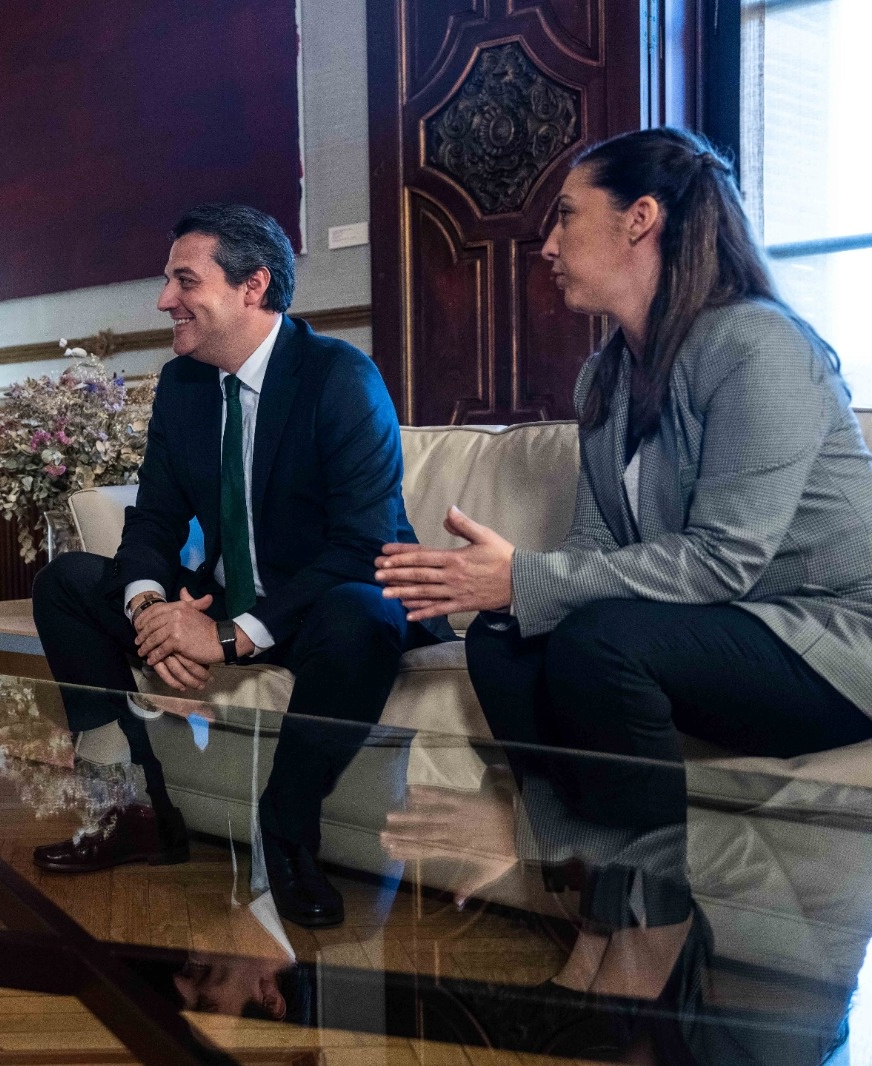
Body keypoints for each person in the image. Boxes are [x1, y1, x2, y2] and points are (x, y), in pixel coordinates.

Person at [375, 127, 872, 1008]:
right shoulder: (607, 375)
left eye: (567, 216)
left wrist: (527, 576)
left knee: (594, 639)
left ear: (641, 219)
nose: (548, 244)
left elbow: (727, 558)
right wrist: (489, 587)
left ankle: (655, 924)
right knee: (505, 636)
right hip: (727, 629)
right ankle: (598, 912)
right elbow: (596, 550)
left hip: (833, 639)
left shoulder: (757, 345)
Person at [32, 203, 450, 927]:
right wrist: (150, 610)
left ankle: (286, 833)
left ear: (252, 286)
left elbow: (362, 546)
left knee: (362, 613)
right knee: (65, 584)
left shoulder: (339, 377)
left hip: (324, 601)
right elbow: (155, 521)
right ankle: (130, 810)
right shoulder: (184, 385)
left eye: (184, 280)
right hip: (228, 597)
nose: (164, 299)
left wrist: (227, 637)